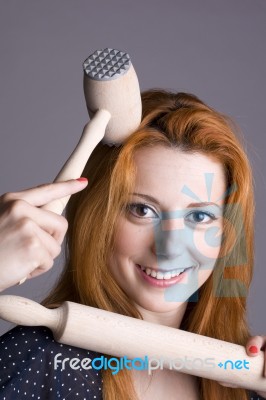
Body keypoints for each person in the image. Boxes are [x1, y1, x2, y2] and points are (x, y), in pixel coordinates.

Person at [0, 89, 265, 400]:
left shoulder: (246, 382)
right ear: (97, 219)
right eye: (142, 210)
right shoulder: (39, 361)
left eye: (200, 216)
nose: (169, 248)